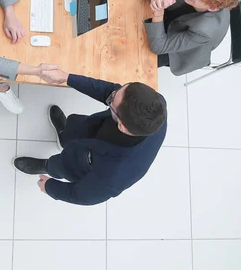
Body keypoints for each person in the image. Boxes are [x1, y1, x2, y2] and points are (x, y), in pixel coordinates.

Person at [13, 69, 167, 205]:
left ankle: (47, 166)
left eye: (111, 100)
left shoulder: (114, 176)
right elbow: (110, 91)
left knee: (62, 164)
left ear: (121, 126)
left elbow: (82, 196)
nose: (112, 93)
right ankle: (64, 136)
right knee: (72, 131)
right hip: (95, 129)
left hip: (87, 161)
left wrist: (50, 188)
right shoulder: (155, 104)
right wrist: (67, 77)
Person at [143, 0, 241, 76]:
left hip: (180, 50)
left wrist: (159, 12)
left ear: (212, 8)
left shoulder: (205, 31)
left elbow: (159, 46)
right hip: (174, 19)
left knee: (140, 58)